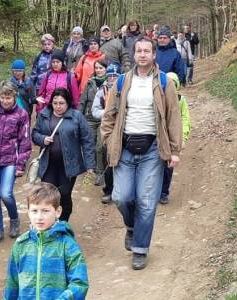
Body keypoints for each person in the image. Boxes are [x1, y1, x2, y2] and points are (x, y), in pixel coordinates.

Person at [100, 37, 182, 270]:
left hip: (153, 150)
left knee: (147, 202)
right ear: (133, 54)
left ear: (154, 55)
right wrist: (108, 140)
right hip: (124, 147)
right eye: (139, 51)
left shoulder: (164, 82)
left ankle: (140, 248)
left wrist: (174, 150)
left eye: (147, 51)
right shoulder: (122, 82)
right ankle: (132, 227)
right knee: (121, 196)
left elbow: (173, 117)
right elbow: (109, 115)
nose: (143, 54)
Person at [3, 183, 89, 300]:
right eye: (34, 211)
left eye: (45, 211)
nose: (39, 217)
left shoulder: (67, 244)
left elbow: (80, 283)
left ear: (58, 212)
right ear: (28, 212)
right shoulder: (20, 244)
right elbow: (12, 284)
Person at [0, 81, 32, 246]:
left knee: (5, 194)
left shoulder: (21, 115)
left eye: (8, 97)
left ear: (14, 97)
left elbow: (24, 141)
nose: (5, 100)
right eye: (3, 97)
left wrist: (21, 165)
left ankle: (14, 219)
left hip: (11, 160)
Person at [32, 88, 95, 222]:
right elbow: (34, 134)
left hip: (69, 164)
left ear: (68, 103)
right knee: (48, 195)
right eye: (55, 103)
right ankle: (50, 223)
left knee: (65, 194)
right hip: (48, 163)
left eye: (61, 103)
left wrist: (90, 164)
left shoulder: (76, 116)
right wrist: (42, 139)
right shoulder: (44, 115)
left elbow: (87, 140)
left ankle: (63, 222)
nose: (58, 106)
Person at [158, 73, 192, 205]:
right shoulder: (157, 97)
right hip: (158, 137)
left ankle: (163, 192)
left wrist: (182, 137)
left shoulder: (180, 100)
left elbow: (185, 119)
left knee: (168, 166)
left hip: (171, 138)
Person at [91, 63, 121, 202]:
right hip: (107, 126)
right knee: (107, 156)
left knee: (123, 158)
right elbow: (95, 110)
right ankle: (109, 189)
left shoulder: (126, 89)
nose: (112, 79)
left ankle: (122, 190)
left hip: (123, 127)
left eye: (115, 76)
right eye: (110, 76)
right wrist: (107, 113)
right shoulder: (101, 90)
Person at [79, 60, 109, 186]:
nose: (98, 70)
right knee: (89, 145)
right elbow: (83, 101)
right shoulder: (90, 83)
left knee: (100, 147)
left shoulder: (111, 83)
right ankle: (92, 169)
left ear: (106, 69)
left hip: (104, 119)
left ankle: (101, 172)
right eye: (96, 68)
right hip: (90, 119)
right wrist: (79, 117)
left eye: (101, 68)